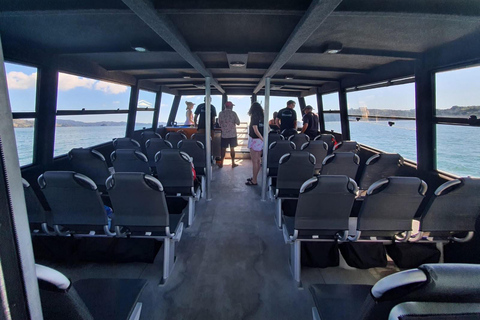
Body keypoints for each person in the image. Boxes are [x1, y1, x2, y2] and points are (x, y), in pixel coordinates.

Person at [218, 101, 240, 168]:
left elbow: (219, 124)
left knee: (223, 149)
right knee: (232, 149)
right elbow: (238, 123)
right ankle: (233, 163)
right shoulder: (233, 113)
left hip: (224, 134)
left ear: (225, 106)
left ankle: (221, 163)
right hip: (232, 134)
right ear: (231, 106)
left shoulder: (221, 113)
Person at [246, 102, 264, 186]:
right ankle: (254, 177)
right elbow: (267, 128)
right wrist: (264, 139)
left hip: (255, 140)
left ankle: (254, 181)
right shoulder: (263, 117)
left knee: (255, 161)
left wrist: (262, 139)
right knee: (258, 160)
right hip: (260, 141)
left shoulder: (254, 117)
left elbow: (255, 130)